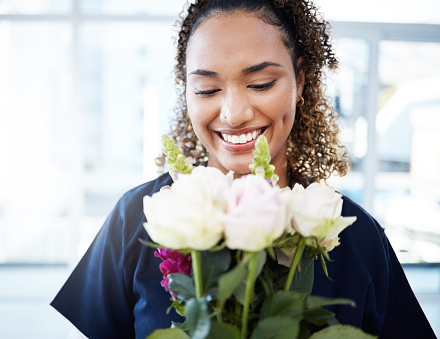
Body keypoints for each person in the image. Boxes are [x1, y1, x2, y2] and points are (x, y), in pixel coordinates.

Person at [51, 0, 436, 338]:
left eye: (261, 83)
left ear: (299, 80)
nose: (234, 114)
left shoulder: (354, 235)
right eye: (207, 89)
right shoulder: (140, 217)